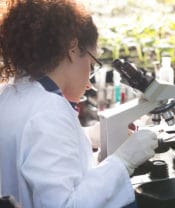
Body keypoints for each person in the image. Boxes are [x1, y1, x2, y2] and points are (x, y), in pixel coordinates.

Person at [0, 1, 158, 208]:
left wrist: (87, 136)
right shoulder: (48, 113)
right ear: (72, 49)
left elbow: (37, 149)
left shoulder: (11, 93)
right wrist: (123, 161)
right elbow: (66, 205)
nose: (90, 82)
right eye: (92, 64)